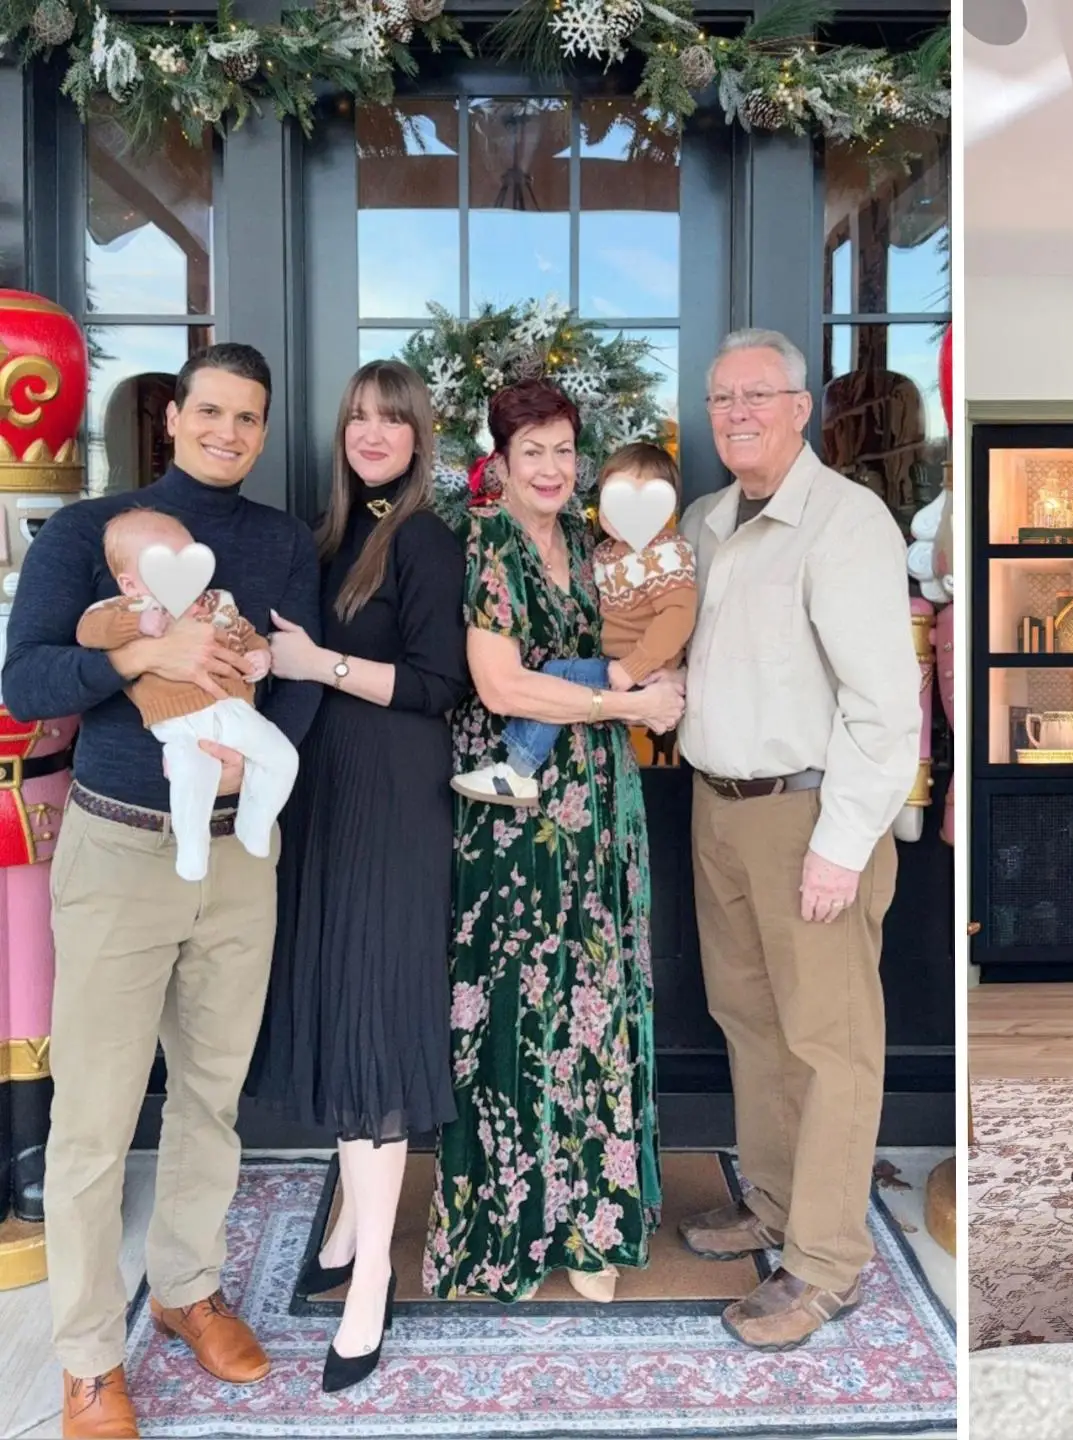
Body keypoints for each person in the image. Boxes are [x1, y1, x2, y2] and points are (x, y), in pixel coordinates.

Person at [0, 343, 322, 1439]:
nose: (230, 432)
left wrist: (257, 747)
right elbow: (28, 674)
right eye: (213, 412)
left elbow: (295, 674)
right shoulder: (95, 530)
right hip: (121, 852)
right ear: (174, 417)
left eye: (251, 418)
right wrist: (141, 659)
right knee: (93, 1120)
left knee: (212, 1096)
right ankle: (91, 1358)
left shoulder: (279, 541)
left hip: (240, 859)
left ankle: (186, 1289)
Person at [675, 328, 920, 1350]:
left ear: (800, 407)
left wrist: (844, 841)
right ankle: (771, 1204)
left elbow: (885, 702)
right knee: (751, 1023)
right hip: (716, 806)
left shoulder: (845, 523)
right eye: (722, 398)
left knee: (831, 1045)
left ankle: (826, 1264)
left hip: (810, 814)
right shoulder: (704, 521)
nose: (736, 413)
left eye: (757, 397)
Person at [423, 379, 683, 1304]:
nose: (551, 467)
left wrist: (666, 679)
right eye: (531, 450)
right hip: (513, 815)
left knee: (600, 1006)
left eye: (564, 450)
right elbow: (499, 687)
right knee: (516, 1013)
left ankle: (594, 1226)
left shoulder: (595, 543)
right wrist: (623, 703)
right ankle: (512, 1229)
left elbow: (649, 633)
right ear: (499, 462)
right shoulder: (487, 545)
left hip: (603, 807)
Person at [245, 360, 469, 1392]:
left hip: (393, 803)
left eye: (391, 419)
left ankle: (373, 1272)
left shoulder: (423, 538)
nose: (370, 432)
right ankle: (347, 1222)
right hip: (326, 801)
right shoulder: (325, 536)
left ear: (420, 436)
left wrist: (316, 666)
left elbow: (434, 685)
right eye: (356, 417)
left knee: (374, 1025)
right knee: (341, 1008)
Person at [452, 440, 695, 807]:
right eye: (612, 498)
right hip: (618, 667)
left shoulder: (664, 554)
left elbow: (678, 617)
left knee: (556, 676)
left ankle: (517, 769)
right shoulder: (603, 550)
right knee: (558, 675)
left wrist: (636, 668)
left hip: (636, 670)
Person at [76, 509, 296, 882]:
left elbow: (245, 633)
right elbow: (88, 631)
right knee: (193, 775)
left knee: (282, 756)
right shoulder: (128, 609)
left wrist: (260, 654)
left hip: (232, 710)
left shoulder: (218, 603)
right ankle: (192, 849)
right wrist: (140, 624)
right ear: (130, 584)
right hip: (177, 720)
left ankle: (255, 822)